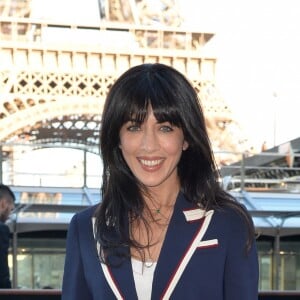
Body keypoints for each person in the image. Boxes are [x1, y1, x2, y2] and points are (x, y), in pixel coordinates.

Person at [62, 63, 259, 299]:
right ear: (118, 138)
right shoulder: (86, 228)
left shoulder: (227, 223)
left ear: (186, 138)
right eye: (134, 127)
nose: (149, 145)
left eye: (165, 128)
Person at [0, 184, 15, 289]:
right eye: (11, 209)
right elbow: (2, 272)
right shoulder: (1, 229)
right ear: (3, 204)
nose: (9, 215)